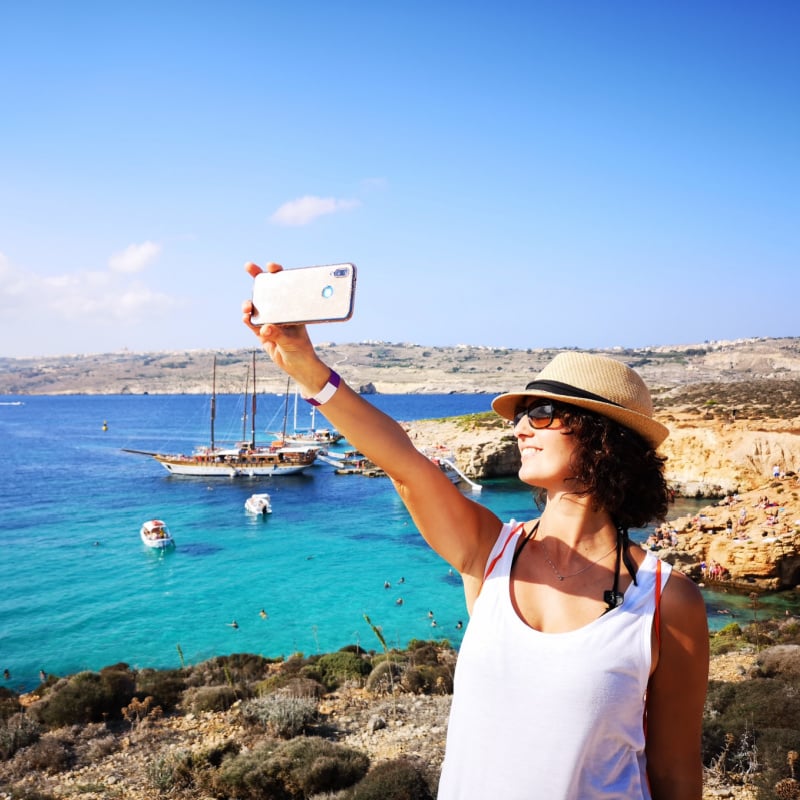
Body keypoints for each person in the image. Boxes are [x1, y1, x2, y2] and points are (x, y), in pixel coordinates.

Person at [242, 261, 709, 799]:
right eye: (520, 414)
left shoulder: (668, 601)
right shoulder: (488, 552)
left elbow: (675, 774)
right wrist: (306, 368)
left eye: (540, 413)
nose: (519, 427)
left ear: (604, 437)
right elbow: (405, 464)